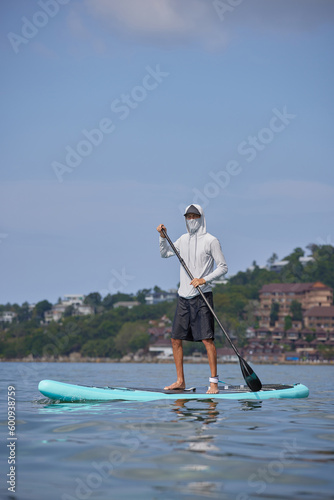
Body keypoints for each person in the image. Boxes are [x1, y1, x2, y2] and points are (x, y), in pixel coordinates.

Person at [157, 204, 228, 394]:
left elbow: (223, 267)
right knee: (175, 339)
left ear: (201, 218)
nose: (191, 220)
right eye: (188, 217)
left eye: (194, 216)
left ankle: (213, 383)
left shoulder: (211, 241)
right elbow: (164, 254)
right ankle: (180, 381)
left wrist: (203, 279)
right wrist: (162, 238)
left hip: (202, 296)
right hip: (183, 297)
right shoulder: (182, 240)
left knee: (207, 340)